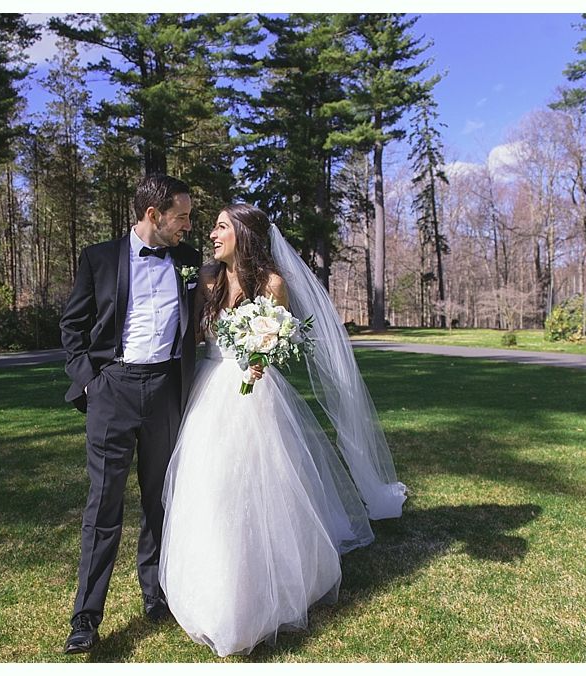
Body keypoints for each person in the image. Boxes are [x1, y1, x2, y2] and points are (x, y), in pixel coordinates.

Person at [159, 203, 407, 657]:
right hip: (209, 391)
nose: (212, 234)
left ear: (244, 235)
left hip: (255, 395)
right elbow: (194, 337)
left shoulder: (272, 284)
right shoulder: (209, 282)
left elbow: (277, 341)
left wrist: (260, 356)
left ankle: (262, 590)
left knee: (259, 489)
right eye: (212, 226)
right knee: (208, 488)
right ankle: (214, 585)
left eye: (221, 226)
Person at [59, 174, 205, 654]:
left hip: (166, 390)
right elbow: (73, 325)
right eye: (181, 216)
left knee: (160, 501)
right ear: (152, 215)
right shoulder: (98, 258)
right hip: (113, 391)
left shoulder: (188, 261)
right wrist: (90, 385)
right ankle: (86, 616)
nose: (188, 224)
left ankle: (157, 594)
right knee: (104, 505)